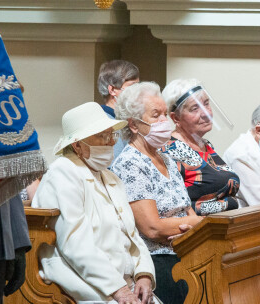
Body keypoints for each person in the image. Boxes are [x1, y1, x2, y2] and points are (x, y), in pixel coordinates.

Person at [32, 102, 158, 304]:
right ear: (77, 145)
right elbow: (75, 245)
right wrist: (118, 289)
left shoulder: (110, 177)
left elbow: (132, 235)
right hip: (85, 283)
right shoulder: (62, 174)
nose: (110, 142)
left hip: (125, 283)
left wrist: (144, 274)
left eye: (111, 135)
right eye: (102, 136)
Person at [111, 82, 202, 304]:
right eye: (156, 115)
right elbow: (152, 228)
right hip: (156, 259)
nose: (164, 121)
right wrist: (198, 224)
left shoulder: (166, 158)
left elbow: (187, 210)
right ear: (133, 125)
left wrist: (192, 227)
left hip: (186, 246)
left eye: (165, 114)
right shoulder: (131, 163)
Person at [161, 79, 240, 215]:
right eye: (194, 108)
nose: (205, 113)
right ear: (176, 118)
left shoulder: (205, 144)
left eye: (206, 104)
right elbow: (172, 205)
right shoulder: (170, 150)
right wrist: (229, 203)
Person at [97, 60, 140, 160]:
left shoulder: (125, 119)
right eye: (132, 87)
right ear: (112, 90)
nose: (137, 92)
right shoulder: (104, 122)